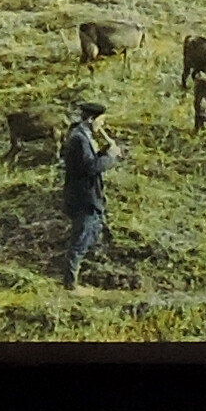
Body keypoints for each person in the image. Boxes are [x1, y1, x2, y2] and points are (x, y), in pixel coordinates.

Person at [61, 101, 122, 292]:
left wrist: (105, 152)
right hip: (83, 197)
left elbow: (89, 161)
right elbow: (90, 167)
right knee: (80, 239)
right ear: (90, 119)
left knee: (92, 231)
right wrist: (110, 158)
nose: (102, 125)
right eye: (101, 121)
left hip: (88, 194)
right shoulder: (79, 138)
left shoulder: (83, 136)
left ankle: (80, 277)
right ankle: (70, 285)